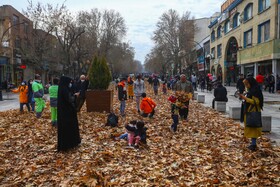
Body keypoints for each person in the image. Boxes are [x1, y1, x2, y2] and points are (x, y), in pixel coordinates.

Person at [57, 76, 81, 152]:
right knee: (68, 128)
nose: (70, 84)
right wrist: (75, 96)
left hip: (64, 113)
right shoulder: (64, 89)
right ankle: (69, 144)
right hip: (67, 113)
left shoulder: (62, 88)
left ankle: (69, 144)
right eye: (69, 82)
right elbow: (69, 99)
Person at [239, 77, 263, 151]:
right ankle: (253, 143)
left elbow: (256, 102)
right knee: (251, 127)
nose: (246, 86)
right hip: (249, 111)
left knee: (253, 127)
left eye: (247, 84)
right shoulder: (251, 90)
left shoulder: (255, 91)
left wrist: (245, 98)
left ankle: (253, 144)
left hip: (253, 111)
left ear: (251, 83)